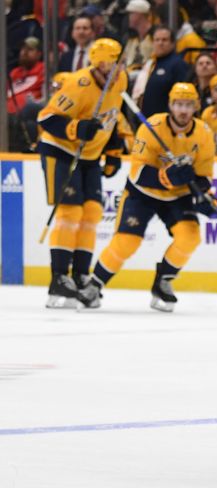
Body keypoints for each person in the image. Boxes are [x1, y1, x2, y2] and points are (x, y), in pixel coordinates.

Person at [76, 83, 216, 312]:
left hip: (177, 197)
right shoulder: (152, 127)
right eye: (179, 104)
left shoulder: (204, 133)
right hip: (143, 193)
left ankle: (163, 282)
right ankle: (95, 284)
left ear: (196, 107)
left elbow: (204, 175)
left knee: (190, 237)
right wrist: (167, 176)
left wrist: (203, 195)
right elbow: (138, 173)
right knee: (127, 242)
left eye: (188, 105)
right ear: (171, 105)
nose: (183, 110)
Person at [36, 38, 127, 308]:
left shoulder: (121, 80)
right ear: (96, 65)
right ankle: (59, 278)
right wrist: (76, 128)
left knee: (92, 214)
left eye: (116, 65)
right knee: (70, 212)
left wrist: (113, 149)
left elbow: (114, 117)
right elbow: (47, 117)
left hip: (90, 156)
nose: (112, 73)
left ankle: (79, 275)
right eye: (106, 67)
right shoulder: (79, 83)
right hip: (60, 150)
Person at [135, 26, 191, 117]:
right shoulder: (150, 64)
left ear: (172, 43)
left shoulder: (178, 64)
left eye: (164, 40)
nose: (160, 43)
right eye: (157, 40)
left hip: (165, 123)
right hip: (145, 121)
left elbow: (182, 97)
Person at [121, 0, 154, 81]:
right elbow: (123, 61)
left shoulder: (155, 37)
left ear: (140, 14)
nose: (128, 17)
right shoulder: (130, 38)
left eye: (131, 13)